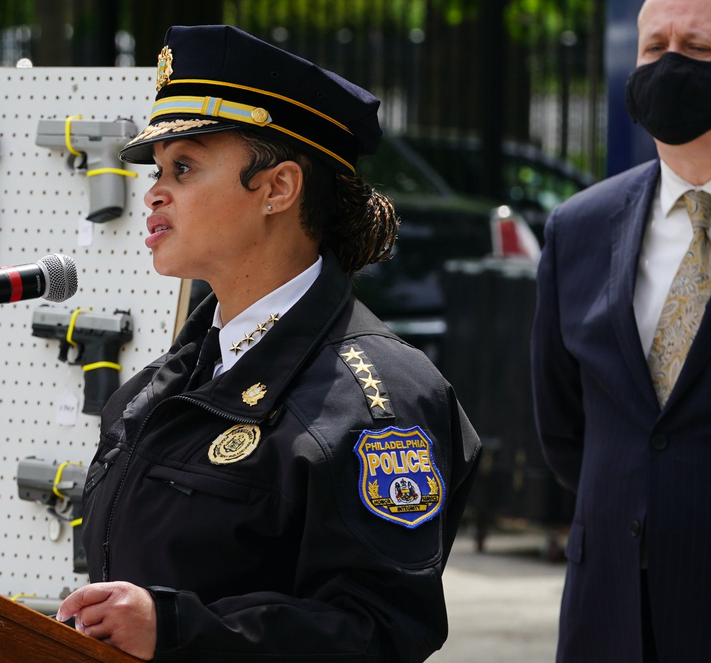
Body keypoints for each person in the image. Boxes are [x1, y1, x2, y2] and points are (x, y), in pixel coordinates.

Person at [54, 25, 481, 662]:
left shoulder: (375, 400)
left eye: (186, 166)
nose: (153, 192)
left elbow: (382, 630)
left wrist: (176, 629)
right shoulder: (161, 385)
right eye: (158, 168)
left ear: (278, 188)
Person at [531, 0, 711, 661]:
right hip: (607, 617)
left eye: (697, 50)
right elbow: (568, 428)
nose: (669, 65)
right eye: (654, 48)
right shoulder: (579, 227)